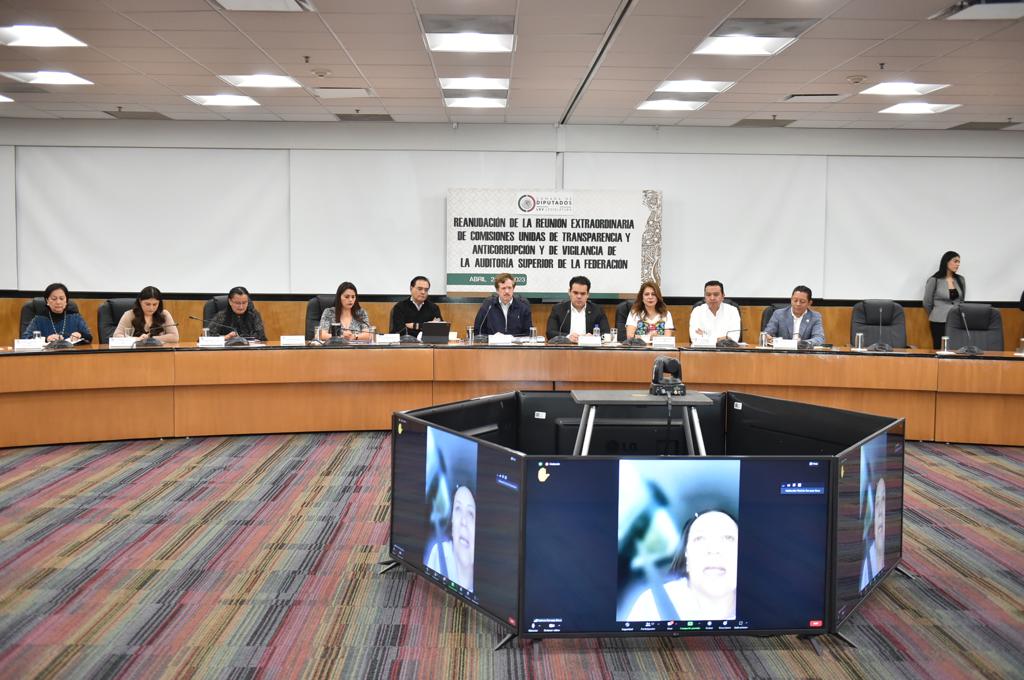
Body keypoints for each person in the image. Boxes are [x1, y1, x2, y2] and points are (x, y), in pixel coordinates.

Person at [625, 510, 738, 621]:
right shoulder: (650, 604)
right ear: (687, 557)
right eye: (700, 539)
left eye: (728, 538)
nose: (714, 549)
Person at [425, 485, 476, 592]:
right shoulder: (439, 552)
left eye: (470, 513)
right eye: (458, 509)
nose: (463, 521)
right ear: (452, 520)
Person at [23, 282, 93, 344]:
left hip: (71, 353)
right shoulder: (39, 319)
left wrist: (80, 334)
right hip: (46, 354)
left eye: (61, 298)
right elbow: (25, 338)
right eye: (54, 299)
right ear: (47, 301)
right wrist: (46, 339)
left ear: (66, 301)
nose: (58, 302)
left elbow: (89, 337)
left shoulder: (75, 317)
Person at [546, 275, 610, 341]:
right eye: (575, 293)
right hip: (567, 346)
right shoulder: (558, 309)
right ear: (569, 292)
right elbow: (550, 333)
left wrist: (593, 337)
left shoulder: (597, 310)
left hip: (588, 346)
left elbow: (606, 334)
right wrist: (568, 337)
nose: (579, 296)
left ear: (588, 294)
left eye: (583, 293)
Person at [923, 251, 965, 350]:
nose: (958, 264)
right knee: (939, 348)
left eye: (959, 262)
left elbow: (961, 300)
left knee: (955, 348)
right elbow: (927, 303)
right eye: (955, 261)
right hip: (938, 321)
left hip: (956, 320)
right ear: (946, 262)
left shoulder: (960, 280)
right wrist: (935, 314)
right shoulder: (934, 280)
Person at [473, 272, 533, 336]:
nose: (507, 291)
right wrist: (492, 338)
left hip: (515, 342)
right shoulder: (488, 305)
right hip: (493, 342)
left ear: (513, 289)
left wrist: (511, 338)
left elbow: (528, 333)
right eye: (503, 288)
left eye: (509, 288)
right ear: (497, 290)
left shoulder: (523, 306)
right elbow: (478, 331)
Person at [113, 286, 179, 343]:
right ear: (140, 301)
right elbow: (116, 336)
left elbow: (175, 337)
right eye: (147, 304)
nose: (151, 308)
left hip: (158, 352)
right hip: (135, 352)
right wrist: (137, 339)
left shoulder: (164, 314)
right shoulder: (130, 315)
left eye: (155, 304)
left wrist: (151, 338)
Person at [689, 280, 740, 345]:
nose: (712, 298)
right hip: (703, 350)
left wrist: (704, 337)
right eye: (708, 295)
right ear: (704, 296)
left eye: (716, 294)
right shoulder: (697, 311)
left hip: (726, 350)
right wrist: (721, 339)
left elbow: (734, 339)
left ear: (723, 296)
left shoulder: (732, 311)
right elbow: (695, 339)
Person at [859, 478, 886, 591]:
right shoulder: (867, 565)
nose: (880, 512)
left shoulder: (892, 549)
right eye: (877, 503)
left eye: (883, 500)